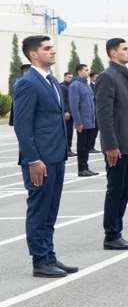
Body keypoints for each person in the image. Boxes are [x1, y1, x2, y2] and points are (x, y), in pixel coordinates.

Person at [13, 36, 75, 278]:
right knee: (39, 209)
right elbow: (22, 125)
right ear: (33, 55)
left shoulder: (51, 82)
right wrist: (33, 160)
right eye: (47, 48)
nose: (53, 52)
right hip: (39, 159)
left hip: (56, 155)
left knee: (51, 210)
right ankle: (40, 260)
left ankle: (49, 256)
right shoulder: (27, 83)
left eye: (52, 48)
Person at [94, 37, 128, 251]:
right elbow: (104, 115)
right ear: (113, 54)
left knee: (124, 190)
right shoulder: (107, 77)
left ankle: (117, 231)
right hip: (117, 145)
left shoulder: (126, 75)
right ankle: (111, 235)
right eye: (125, 49)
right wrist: (111, 146)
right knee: (115, 190)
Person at [69, 63, 99, 177]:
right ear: (79, 72)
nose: (88, 72)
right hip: (82, 122)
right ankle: (81, 169)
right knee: (81, 146)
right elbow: (74, 105)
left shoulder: (86, 85)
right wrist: (78, 122)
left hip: (90, 120)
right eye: (85, 70)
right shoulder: (75, 85)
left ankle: (86, 166)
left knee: (87, 145)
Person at [60, 73, 75, 158]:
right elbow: (63, 100)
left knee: (70, 132)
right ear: (65, 77)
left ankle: (69, 149)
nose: (70, 78)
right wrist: (65, 111)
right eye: (69, 77)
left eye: (72, 77)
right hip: (67, 113)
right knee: (66, 132)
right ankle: (66, 149)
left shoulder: (71, 86)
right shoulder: (63, 87)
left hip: (71, 112)